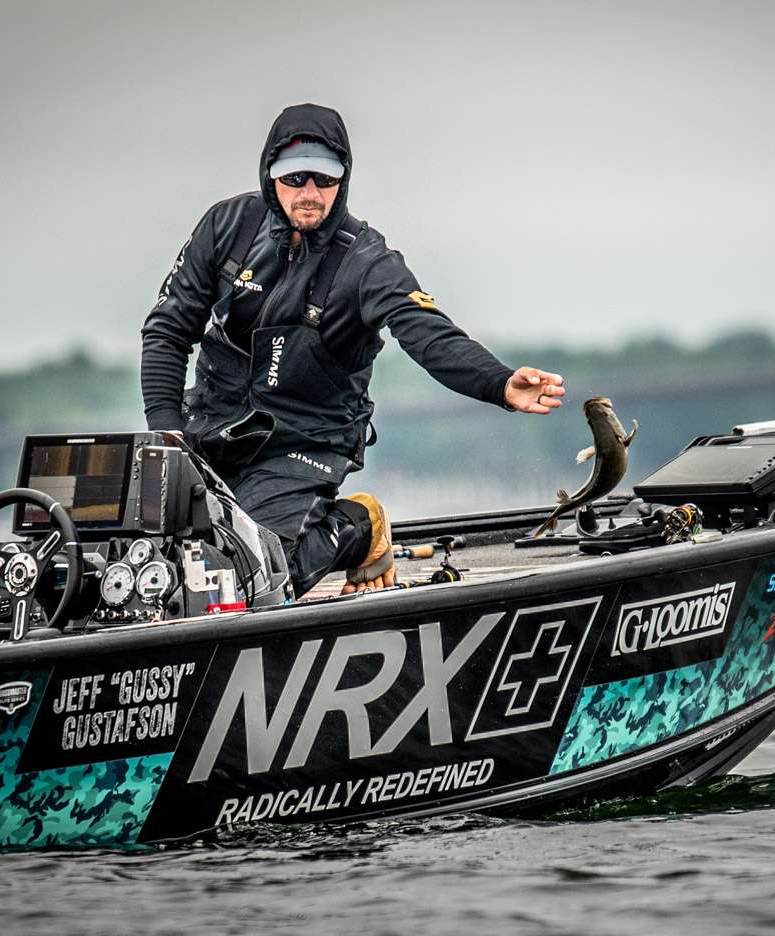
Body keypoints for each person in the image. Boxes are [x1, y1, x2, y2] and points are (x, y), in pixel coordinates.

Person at [141, 103, 564, 596]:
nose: (310, 193)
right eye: (295, 178)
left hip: (303, 443)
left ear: (342, 178)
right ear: (270, 175)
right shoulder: (227, 226)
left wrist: (499, 382)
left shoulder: (367, 261)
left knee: (254, 580)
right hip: (210, 428)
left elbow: (427, 333)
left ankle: (358, 525)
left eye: (324, 179)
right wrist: (167, 436)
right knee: (156, 567)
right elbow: (167, 332)